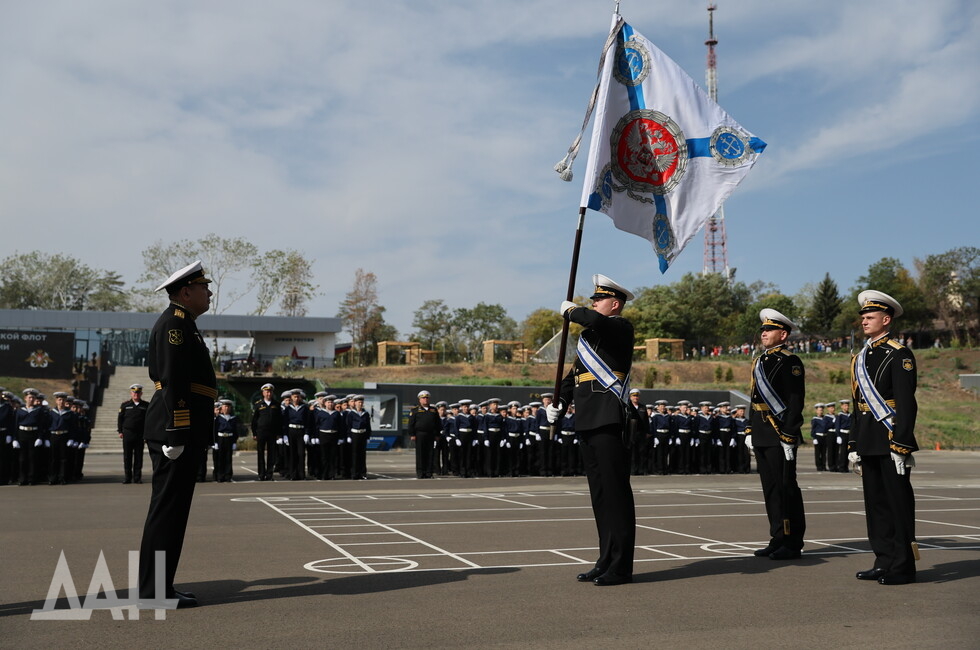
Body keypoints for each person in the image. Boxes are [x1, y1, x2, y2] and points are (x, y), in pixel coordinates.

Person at [547, 274, 636, 586]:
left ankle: (621, 567)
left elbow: (595, 321)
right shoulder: (589, 340)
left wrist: (572, 311)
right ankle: (605, 559)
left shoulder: (620, 328)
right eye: (593, 300)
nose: (594, 303)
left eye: (599, 299)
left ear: (615, 304)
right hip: (586, 420)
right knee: (600, 497)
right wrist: (559, 402)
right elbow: (573, 377)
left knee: (616, 494)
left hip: (609, 419)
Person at [138, 260, 217, 609]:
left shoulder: (185, 324)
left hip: (183, 429)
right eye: (204, 287)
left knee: (173, 511)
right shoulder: (175, 324)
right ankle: (154, 592)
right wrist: (177, 430)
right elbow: (173, 380)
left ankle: (159, 587)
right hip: (175, 429)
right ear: (186, 292)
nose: (209, 292)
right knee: (167, 511)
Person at [848, 290, 919, 585]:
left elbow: (906, 402)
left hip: (889, 437)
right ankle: (883, 560)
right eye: (863, 317)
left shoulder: (899, 354)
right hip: (868, 438)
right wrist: (854, 442)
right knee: (875, 504)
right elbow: (857, 404)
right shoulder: (860, 357)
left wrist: (901, 443)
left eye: (870, 317)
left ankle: (902, 566)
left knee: (897, 504)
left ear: (886, 319)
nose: (864, 321)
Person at [746, 308, 807, 561]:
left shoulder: (790, 362)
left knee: (785, 488)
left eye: (769, 329)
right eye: (763, 329)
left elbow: (795, 401)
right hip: (761, 431)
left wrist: (789, 434)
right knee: (770, 489)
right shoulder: (759, 361)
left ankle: (792, 542)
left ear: (783, 334)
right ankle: (777, 537)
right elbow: (753, 398)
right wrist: (749, 428)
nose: (764, 333)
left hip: (779, 431)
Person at [118, 384, 149, 484]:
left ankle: (137, 478)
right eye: (134, 392)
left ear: (141, 393)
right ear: (131, 393)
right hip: (128, 433)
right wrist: (120, 431)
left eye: (138, 392)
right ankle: (127, 477)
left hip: (140, 434)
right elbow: (120, 419)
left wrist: (147, 434)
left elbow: (148, 421)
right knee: (127, 457)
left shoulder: (146, 405)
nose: (136, 394)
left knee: (138, 457)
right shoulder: (125, 405)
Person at [251, 383, 281, 481]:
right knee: (260, 453)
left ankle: (269, 474)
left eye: (270, 392)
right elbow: (254, 420)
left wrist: (279, 433)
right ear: (263, 393)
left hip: (272, 432)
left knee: (271, 454)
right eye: (267, 392)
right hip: (261, 432)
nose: (269, 394)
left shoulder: (276, 404)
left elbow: (279, 420)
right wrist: (254, 433)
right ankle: (261, 474)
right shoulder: (258, 404)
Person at [408, 390, 439, 479]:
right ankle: (420, 473)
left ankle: (429, 473)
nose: (425, 399)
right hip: (420, 434)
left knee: (430, 453)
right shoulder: (415, 410)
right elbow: (411, 424)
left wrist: (437, 434)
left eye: (427, 398)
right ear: (420, 400)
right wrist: (412, 434)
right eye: (423, 398)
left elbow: (437, 423)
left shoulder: (433, 410)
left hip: (431, 434)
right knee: (420, 454)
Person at [346, 395, 372, 479]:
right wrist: (349, 436)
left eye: (361, 402)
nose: (360, 404)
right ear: (355, 403)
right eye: (359, 402)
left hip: (363, 434)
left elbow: (368, 426)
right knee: (355, 455)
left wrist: (368, 437)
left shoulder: (365, 414)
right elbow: (348, 425)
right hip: (355, 434)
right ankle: (354, 473)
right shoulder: (351, 414)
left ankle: (363, 473)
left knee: (362, 455)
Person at [810, 403, 827, 471]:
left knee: (824, 453)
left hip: (824, 436)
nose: (821, 411)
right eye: (819, 410)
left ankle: (823, 465)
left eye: (822, 410)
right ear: (816, 411)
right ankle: (819, 466)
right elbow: (813, 429)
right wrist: (814, 438)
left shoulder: (825, 418)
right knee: (818, 453)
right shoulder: (815, 419)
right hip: (818, 436)